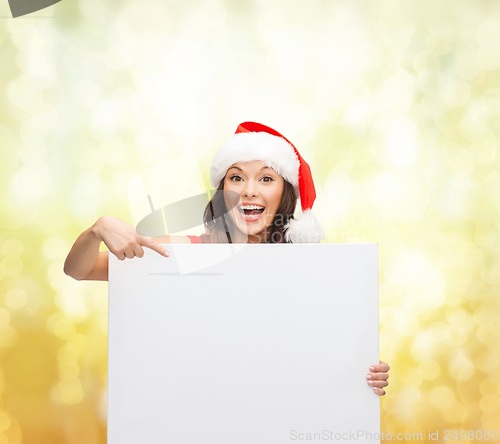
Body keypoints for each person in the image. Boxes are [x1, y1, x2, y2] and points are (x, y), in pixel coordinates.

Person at [64, 121, 390, 395]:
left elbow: (323, 356)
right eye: (236, 178)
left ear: (285, 193)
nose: (248, 190)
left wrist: (363, 378)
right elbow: (81, 269)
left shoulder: (312, 273)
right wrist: (97, 229)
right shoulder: (183, 252)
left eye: (266, 178)